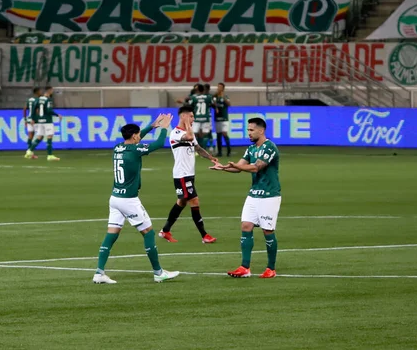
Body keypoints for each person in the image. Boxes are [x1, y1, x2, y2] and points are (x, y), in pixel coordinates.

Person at [93, 114, 180, 284]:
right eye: (138, 134)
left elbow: (137, 141)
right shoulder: (134, 150)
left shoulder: (118, 147)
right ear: (134, 136)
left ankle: (99, 272)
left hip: (115, 198)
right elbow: (158, 144)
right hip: (128, 200)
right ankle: (158, 272)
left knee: (111, 234)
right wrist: (163, 128)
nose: (140, 136)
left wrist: (152, 126)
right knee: (148, 232)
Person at [209, 118, 281, 279]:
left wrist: (236, 166)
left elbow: (256, 167)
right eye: (248, 130)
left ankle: (271, 268)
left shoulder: (269, 147)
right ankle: (245, 267)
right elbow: (239, 167)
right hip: (254, 194)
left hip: (269, 195)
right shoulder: (251, 149)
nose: (248, 133)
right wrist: (224, 168)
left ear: (261, 131)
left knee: (267, 230)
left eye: (251, 130)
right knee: (246, 226)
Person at [158, 106, 218, 244]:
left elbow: (197, 147)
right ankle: (204, 235)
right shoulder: (175, 133)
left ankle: (165, 231)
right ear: (183, 117)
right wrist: (186, 124)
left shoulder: (188, 132)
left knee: (182, 201)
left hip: (189, 174)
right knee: (194, 200)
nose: (193, 119)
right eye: (191, 116)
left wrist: (210, 157)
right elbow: (190, 137)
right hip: (182, 174)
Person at [24, 86, 62, 161]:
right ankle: (50, 155)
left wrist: (32, 118)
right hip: (47, 121)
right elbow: (48, 110)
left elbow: (34, 109)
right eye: (52, 90)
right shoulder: (48, 100)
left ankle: (29, 151)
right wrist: (57, 115)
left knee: (39, 137)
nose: (52, 92)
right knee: (49, 137)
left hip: (40, 121)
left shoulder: (38, 99)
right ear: (49, 91)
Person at [213, 83, 231, 157]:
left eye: (220, 87)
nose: (218, 88)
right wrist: (215, 107)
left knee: (224, 133)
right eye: (218, 87)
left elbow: (229, 104)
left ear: (223, 88)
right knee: (218, 135)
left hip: (224, 118)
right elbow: (212, 104)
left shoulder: (225, 96)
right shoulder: (215, 96)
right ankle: (219, 152)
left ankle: (228, 150)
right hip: (217, 118)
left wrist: (223, 98)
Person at [23, 87, 41, 158]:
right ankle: (30, 151)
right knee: (40, 136)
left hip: (29, 119)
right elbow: (37, 110)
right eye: (40, 91)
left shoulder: (29, 100)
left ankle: (30, 153)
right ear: (37, 92)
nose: (41, 92)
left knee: (30, 136)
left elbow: (24, 109)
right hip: (35, 120)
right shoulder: (38, 100)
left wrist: (25, 119)